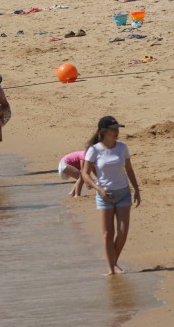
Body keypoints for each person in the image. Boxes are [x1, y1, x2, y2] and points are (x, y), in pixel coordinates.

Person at [81, 116, 141, 275]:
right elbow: (85, 173)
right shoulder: (94, 150)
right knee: (108, 234)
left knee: (122, 232)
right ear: (103, 131)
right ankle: (111, 268)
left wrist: (136, 189)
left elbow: (129, 169)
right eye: (113, 129)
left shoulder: (122, 147)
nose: (117, 132)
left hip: (123, 193)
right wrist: (98, 189)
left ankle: (114, 262)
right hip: (104, 195)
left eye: (117, 129)